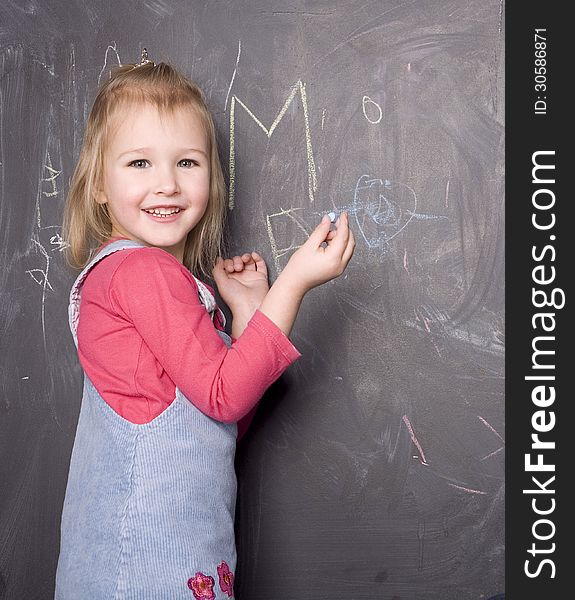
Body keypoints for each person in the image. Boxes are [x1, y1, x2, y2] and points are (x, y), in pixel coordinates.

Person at [55, 49, 355, 599]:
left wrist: (245, 315)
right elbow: (225, 397)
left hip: (170, 557)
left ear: (210, 177)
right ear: (98, 183)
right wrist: (292, 285)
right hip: (145, 569)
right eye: (139, 163)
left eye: (187, 163)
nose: (166, 184)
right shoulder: (143, 273)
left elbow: (219, 424)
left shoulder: (143, 276)